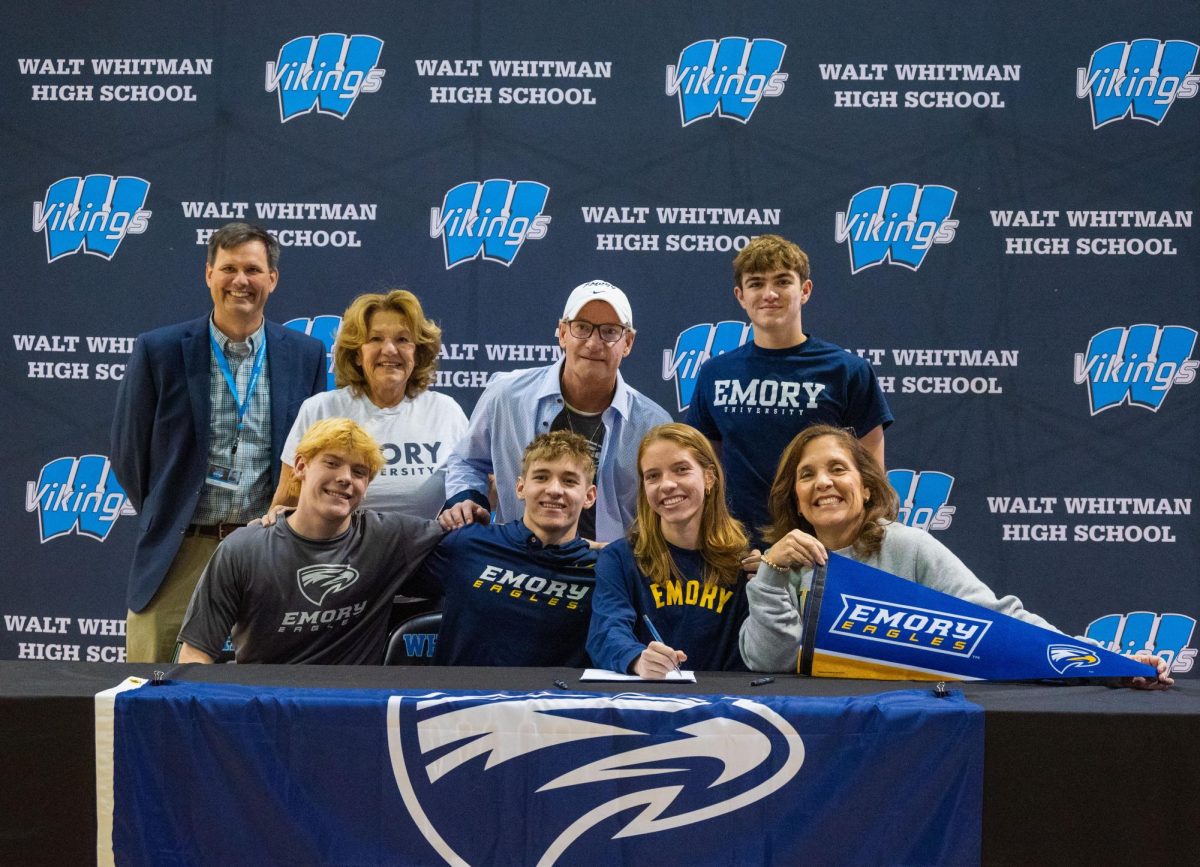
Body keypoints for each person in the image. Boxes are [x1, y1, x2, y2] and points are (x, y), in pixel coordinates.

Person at [738, 425, 1173, 688]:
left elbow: (999, 620)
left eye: (838, 469)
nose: (824, 483)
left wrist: (1105, 663)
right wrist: (772, 573)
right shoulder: (779, 565)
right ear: (794, 497)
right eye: (807, 475)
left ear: (866, 486)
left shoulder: (906, 546)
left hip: (905, 721)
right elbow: (769, 662)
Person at [111, 222, 326, 663]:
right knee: (153, 685)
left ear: (273, 279)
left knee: (268, 687)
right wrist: (171, 512)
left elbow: (312, 453)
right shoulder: (160, 350)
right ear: (208, 274)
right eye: (228, 268)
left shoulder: (305, 354)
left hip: (268, 548)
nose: (240, 281)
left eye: (252, 268)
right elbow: (128, 455)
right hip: (180, 549)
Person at [177, 418, 444, 664]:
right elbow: (194, 654)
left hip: (356, 708)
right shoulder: (243, 549)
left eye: (359, 471)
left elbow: (464, 540)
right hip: (264, 706)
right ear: (301, 467)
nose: (345, 478)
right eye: (332, 463)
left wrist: (466, 508)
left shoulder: (388, 539)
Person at [685, 234, 893, 544]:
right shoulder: (715, 374)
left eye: (782, 281)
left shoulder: (846, 371)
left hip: (824, 547)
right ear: (740, 296)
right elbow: (703, 471)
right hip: (737, 550)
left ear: (805, 290)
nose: (769, 294)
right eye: (756, 284)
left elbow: (872, 475)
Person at [441, 279, 672, 543]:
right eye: (582, 328)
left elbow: (664, 506)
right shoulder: (506, 395)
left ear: (628, 342)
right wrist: (466, 498)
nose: (594, 343)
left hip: (607, 569)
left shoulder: (652, 424)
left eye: (609, 331)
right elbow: (467, 460)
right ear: (563, 333)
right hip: (517, 562)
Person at [268, 290, 467, 520]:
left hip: (426, 553)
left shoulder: (446, 412)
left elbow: (473, 490)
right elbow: (285, 505)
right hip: (334, 554)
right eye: (375, 339)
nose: (390, 350)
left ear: (418, 352)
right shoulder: (320, 410)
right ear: (357, 354)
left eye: (403, 339)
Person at [410, 431, 600, 666]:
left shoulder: (604, 569)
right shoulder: (468, 544)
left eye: (569, 481)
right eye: (541, 477)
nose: (554, 489)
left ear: (589, 496)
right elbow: (376, 569)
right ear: (520, 488)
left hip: (555, 703)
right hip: (461, 701)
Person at [587, 423, 751, 677]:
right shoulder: (620, 558)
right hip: (647, 702)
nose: (667, 485)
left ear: (709, 476)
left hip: (724, 707)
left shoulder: (746, 562)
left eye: (681, 470)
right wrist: (638, 659)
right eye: (653, 476)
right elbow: (606, 632)